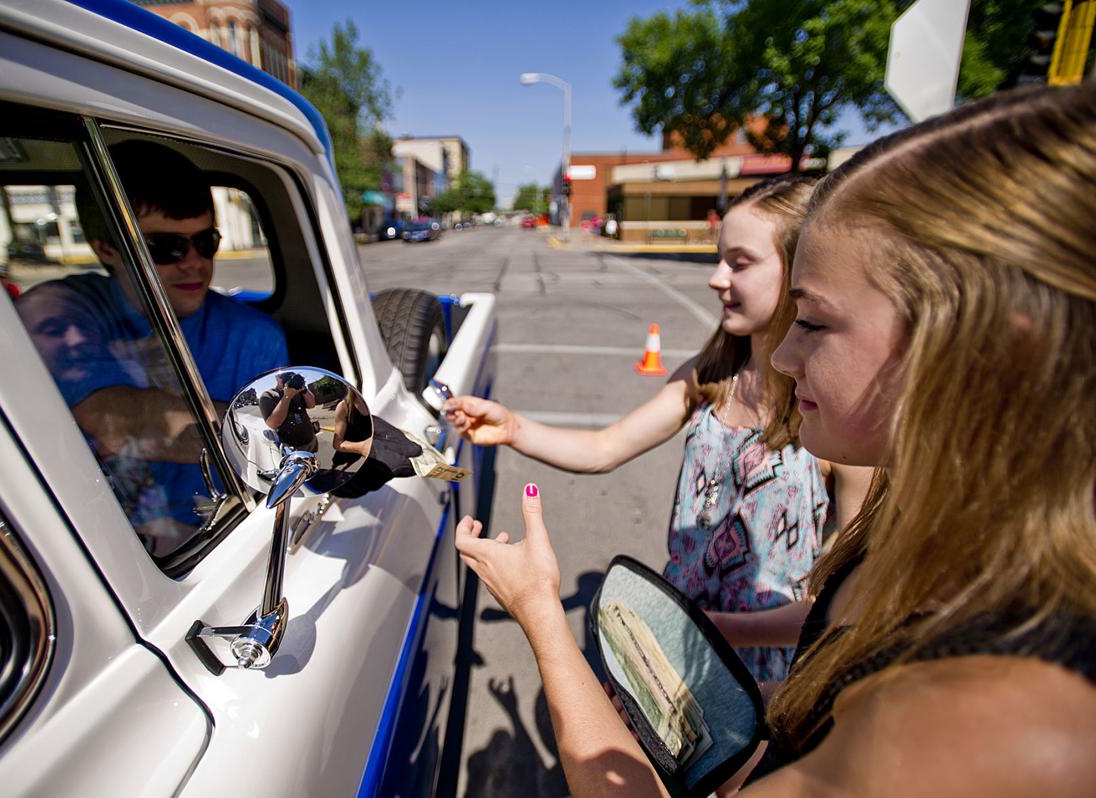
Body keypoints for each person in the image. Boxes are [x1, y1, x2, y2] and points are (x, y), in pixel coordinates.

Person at [456, 83, 1096, 796]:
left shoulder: (994, 715)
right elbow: (813, 715)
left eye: (813, 319)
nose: (788, 356)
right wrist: (732, 717)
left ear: (980, 349)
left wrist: (543, 614)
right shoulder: (899, 518)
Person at [445, 175, 871, 683]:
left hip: (759, 681)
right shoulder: (709, 377)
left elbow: (845, 602)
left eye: (739, 263)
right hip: (671, 650)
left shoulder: (836, 416)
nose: (716, 278)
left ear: (802, 271)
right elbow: (605, 447)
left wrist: (718, 630)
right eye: (719, 258)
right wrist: (513, 427)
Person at [17, 140, 288, 554]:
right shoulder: (58, 313)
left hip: (214, 542)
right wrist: (279, 432)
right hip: (91, 548)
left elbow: (264, 477)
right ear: (107, 247)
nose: (193, 262)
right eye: (165, 247)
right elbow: (117, 421)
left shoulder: (255, 337)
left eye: (205, 241)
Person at [259, 371, 317, 450]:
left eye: (291, 375)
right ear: (277, 377)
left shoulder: (298, 390)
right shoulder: (268, 395)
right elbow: (273, 424)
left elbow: (312, 405)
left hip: (311, 440)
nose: (289, 379)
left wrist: (304, 389)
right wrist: (287, 396)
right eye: (285, 375)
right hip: (291, 448)